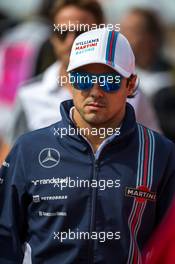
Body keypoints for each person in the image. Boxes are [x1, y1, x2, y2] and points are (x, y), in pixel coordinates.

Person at [0, 27, 175, 264]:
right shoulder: (28, 149)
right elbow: (4, 238)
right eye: (83, 79)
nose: (95, 91)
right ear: (70, 81)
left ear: (131, 84)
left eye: (109, 81)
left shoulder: (161, 154)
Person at [6, 0, 161, 146]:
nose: (70, 41)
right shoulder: (29, 94)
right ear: (52, 37)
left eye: (81, 33)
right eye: (62, 33)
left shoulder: (131, 92)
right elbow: (11, 160)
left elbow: (153, 152)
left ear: (101, 32)